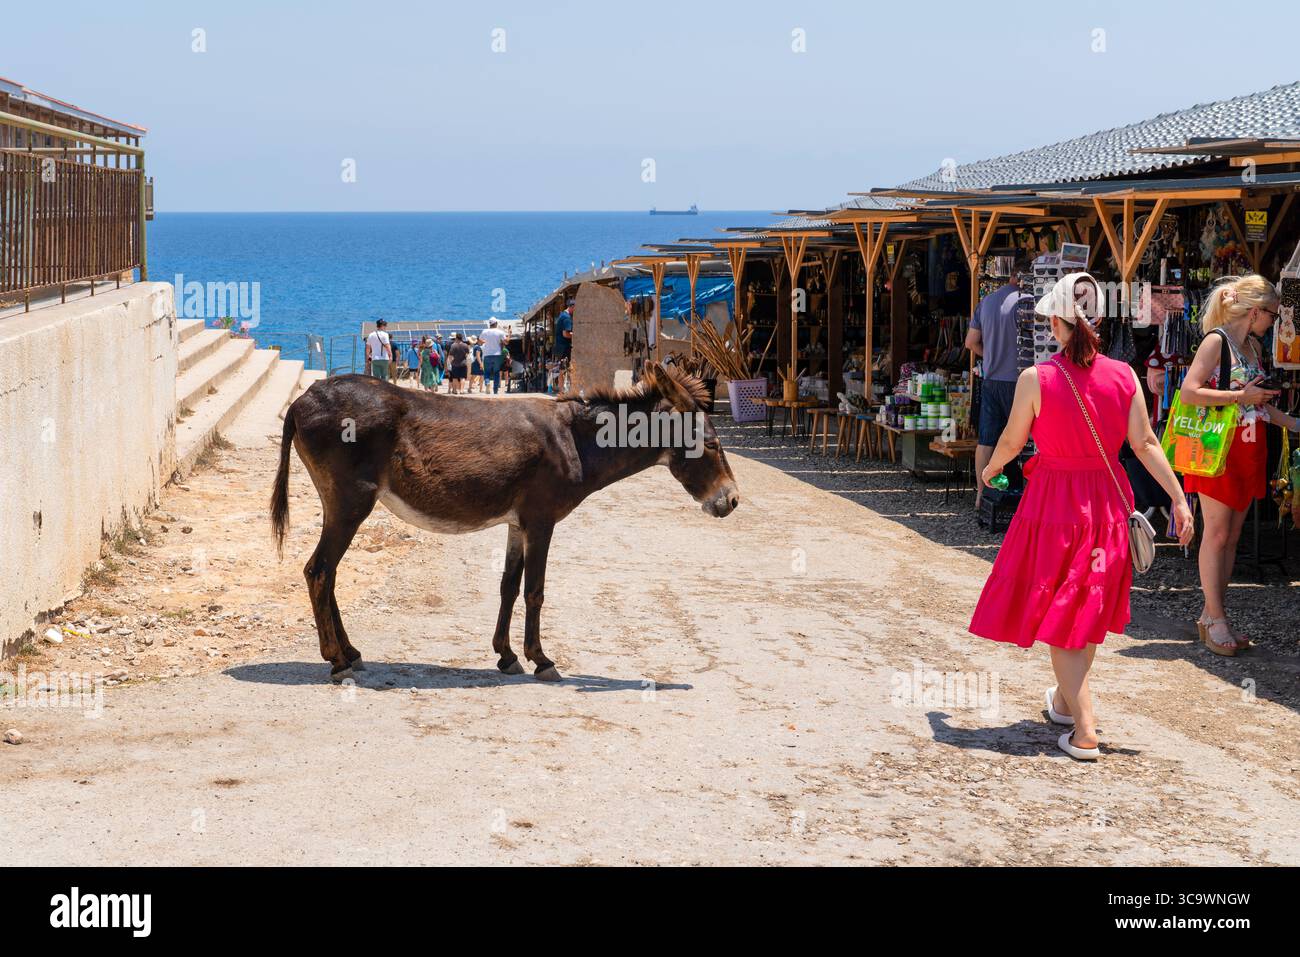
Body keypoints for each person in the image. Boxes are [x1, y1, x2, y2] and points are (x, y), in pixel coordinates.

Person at [969, 273, 1195, 761]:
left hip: (1053, 504)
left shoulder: (1038, 379)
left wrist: (989, 469)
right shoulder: (1125, 376)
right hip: (1107, 504)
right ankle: (1067, 705)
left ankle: (1085, 728)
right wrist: (1178, 497)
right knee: (1083, 607)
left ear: (1055, 322)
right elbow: (1145, 443)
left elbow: (1011, 442)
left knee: (1061, 612)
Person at [1177, 275, 1297, 656]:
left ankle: (1213, 614)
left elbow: (1256, 403)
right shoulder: (1217, 341)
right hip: (1219, 450)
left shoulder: (1252, 346)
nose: (1274, 322)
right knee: (1215, 534)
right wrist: (1239, 395)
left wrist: (1292, 423)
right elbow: (1189, 391)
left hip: (1248, 447)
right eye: (1273, 315)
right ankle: (1216, 619)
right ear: (1257, 311)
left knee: (1229, 537)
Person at [966, 257, 1029, 507]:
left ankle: (981, 494)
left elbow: (971, 342)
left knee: (986, 441)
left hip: (991, 380)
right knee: (1025, 443)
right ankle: (1027, 498)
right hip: (1021, 382)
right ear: (1024, 278)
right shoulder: (1027, 303)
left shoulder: (987, 302)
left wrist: (990, 354)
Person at [480, 317, 508, 394]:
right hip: (497, 355)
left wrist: (486, 342)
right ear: (495, 323)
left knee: (487, 372)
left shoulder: (485, 331)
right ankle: (495, 390)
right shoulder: (500, 332)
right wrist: (509, 335)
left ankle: (487, 382)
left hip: (487, 354)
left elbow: (479, 340)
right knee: (496, 372)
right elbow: (506, 342)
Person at [553, 301, 574, 392]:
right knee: (565, 370)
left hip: (560, 347)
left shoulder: (562, 315)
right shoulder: (567, 318)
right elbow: (566, 334)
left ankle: (561, 391)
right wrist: (577, 335)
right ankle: (564, 391)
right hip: (565, 347)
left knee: (562, 370)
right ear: (572, 307)